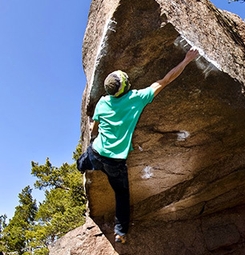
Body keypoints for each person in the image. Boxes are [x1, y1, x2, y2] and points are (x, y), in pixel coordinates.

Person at [78, 48, 199, 243]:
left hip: (96, 152)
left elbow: (94, 127)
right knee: (121, 196)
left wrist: (92, 132)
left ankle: (81, 166)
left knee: (83, 161)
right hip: (115, 161)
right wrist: (186, 60)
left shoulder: (102, 102)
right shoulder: (136, 99)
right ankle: (120, 232)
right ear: (125, 87)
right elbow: (165, 80)